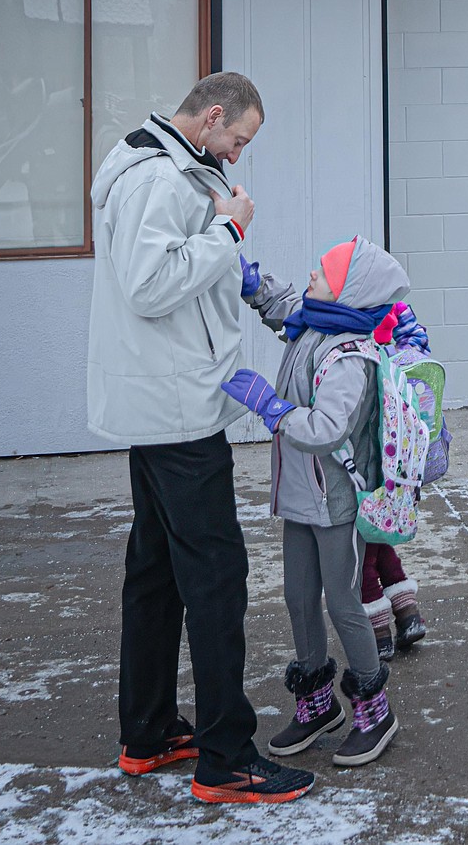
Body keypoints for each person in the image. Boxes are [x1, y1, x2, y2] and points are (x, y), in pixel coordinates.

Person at [88, 73, 314, 805]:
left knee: (156, 570)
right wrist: (230, 228)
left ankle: (149, 731)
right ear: (212, 117)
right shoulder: (161, 178)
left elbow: (194, 270)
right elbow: (151, 284)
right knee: (216, 578)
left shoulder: (171, 165)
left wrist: (247, 274)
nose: (240, 156)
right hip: (181, 410)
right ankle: (227, 758)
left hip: (159, 404)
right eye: (239, 139)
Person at [221, 235, 410, 767]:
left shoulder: (349, 354)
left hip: (336, 502)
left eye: (324, 272)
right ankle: (316, 703)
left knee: (344, 602)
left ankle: (375, 710)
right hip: (299, 496)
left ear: (348, 291)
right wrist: (252, 284)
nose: (312, 275)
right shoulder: (319, 321)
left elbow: (328, 427)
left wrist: (273, 408)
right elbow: (287, 306)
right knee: (299, 598)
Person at [361, 301, 431, 661]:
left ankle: (379, 635)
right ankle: (408, 615)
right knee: (379, 540)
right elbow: (418, 343)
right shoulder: (398, 355)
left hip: (372, 469)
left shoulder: (365, 357)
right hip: (398, 468)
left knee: (361, 557)